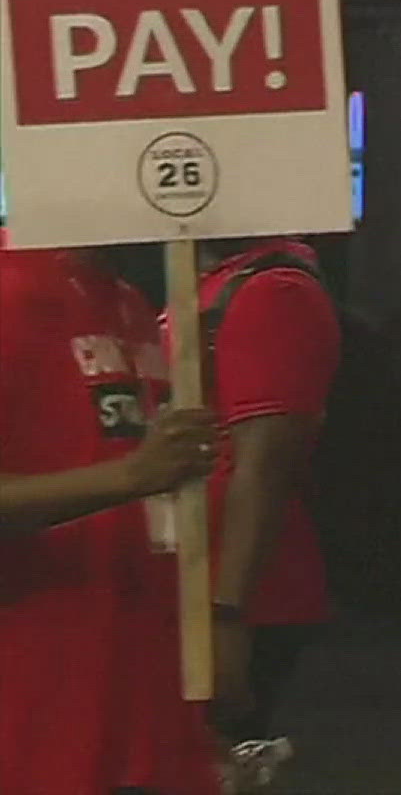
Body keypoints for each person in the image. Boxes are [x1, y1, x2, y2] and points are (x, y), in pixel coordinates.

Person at [0, 242, 223, 794]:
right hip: (35, 697)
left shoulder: (129, 301)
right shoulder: (10, 291)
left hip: (138, 686)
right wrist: (131, 477)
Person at [178, 236, 342, 740]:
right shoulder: (217, 279)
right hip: (195, 579)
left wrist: (228, 616)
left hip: (243, 591)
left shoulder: (275, 289)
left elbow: (268, 461)